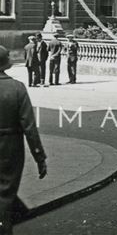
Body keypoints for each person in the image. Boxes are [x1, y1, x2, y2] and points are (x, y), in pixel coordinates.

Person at [0, 46, 47, 235]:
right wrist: (40, 157)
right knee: (5, 195)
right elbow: (29, 127)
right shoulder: (17, 87)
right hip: (10, 148)